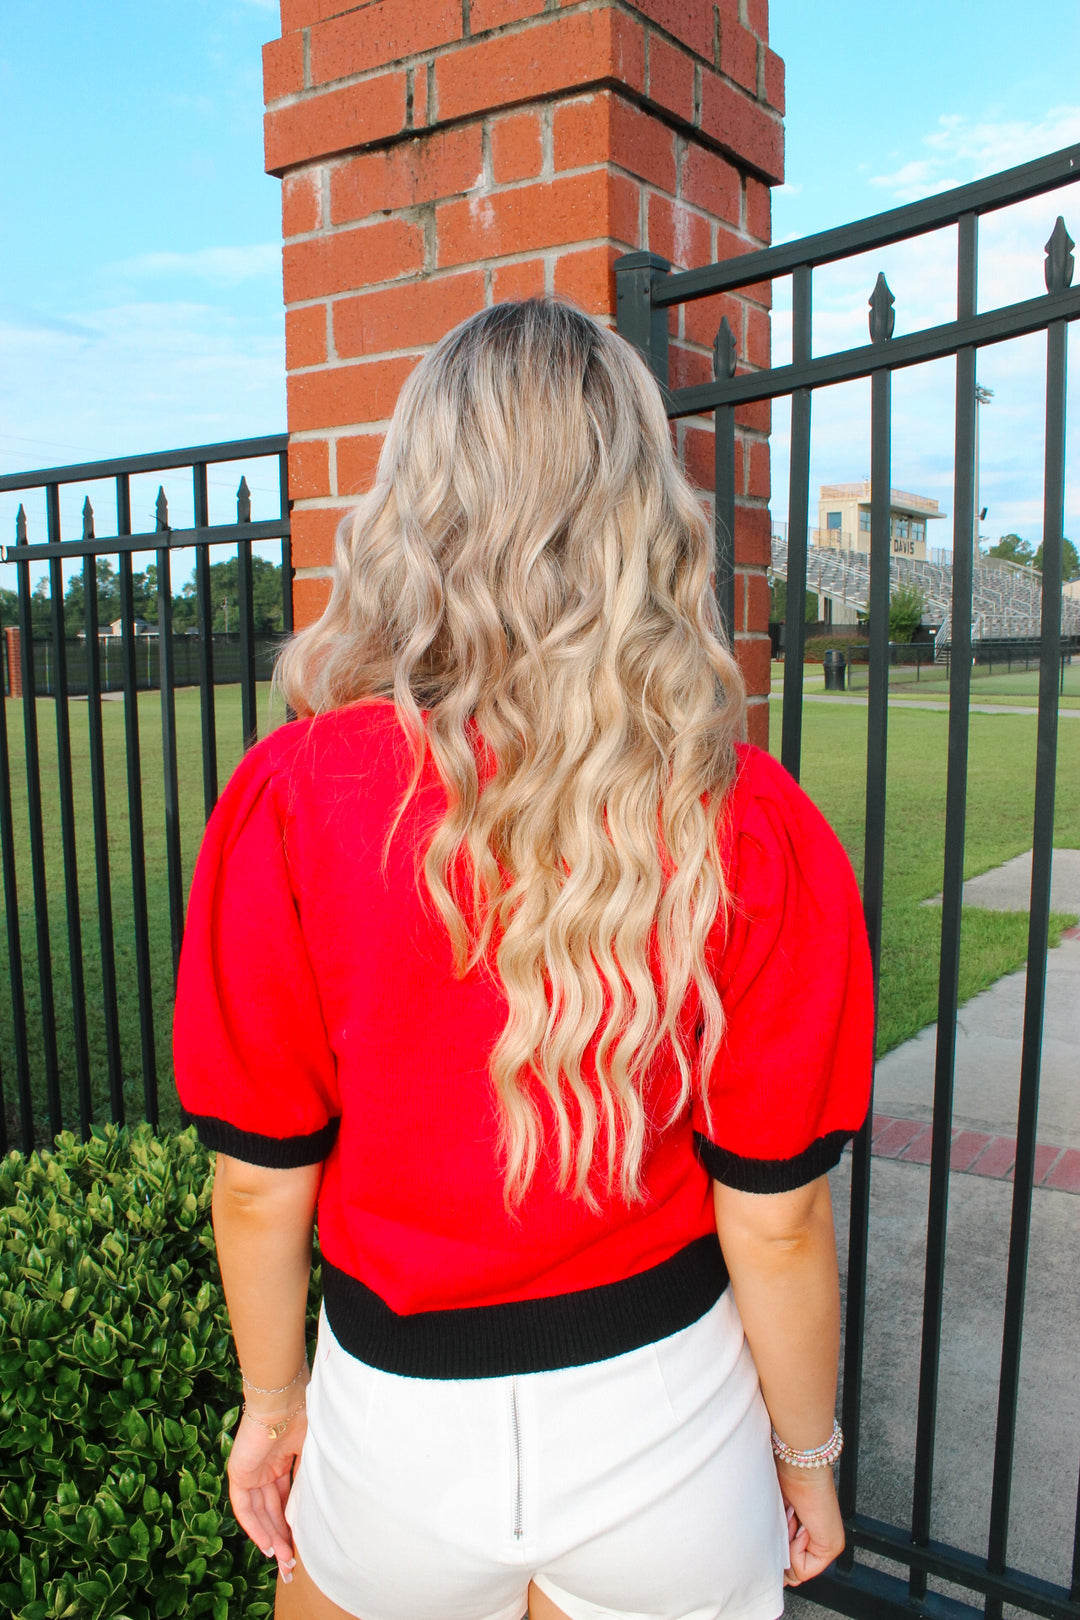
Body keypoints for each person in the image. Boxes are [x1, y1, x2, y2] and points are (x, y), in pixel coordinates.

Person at [173, 297, 874, 1620]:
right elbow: (776, 1219)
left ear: (411, 507)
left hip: (392, 1428)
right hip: (667, 1425)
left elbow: (259, 1186)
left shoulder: (291, 797)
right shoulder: (749, 818)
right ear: (642, 514)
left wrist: (275, 1409)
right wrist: (808, 1460)